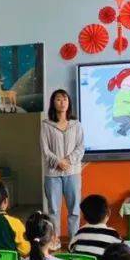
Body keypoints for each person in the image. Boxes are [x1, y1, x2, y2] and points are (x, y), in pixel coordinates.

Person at [40, 88, 84, 239]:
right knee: (53, 210)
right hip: (52, 174)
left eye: (65, 99)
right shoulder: (46, 125)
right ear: (53, 103)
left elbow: (81, 147)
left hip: (72, 173)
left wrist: (68, 161)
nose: (62, 102)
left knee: (74, 209)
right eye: (58, 99)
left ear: (69, 102)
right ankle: (54, 240)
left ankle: (73, 240)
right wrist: (58, 162)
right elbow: (45, 149)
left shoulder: (76, 124)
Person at [69, 194, 122, 260]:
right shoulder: (112, 235)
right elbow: (124, 256)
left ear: (84, 216)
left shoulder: (79, 233)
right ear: (108, 213)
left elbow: (70, 250)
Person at [107, 67, 130, 136]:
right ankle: (122, 131)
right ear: (120, 81)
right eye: (127, 80)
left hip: (127, 115)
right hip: (119, 116)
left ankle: (125, 125)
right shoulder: (122, 93)